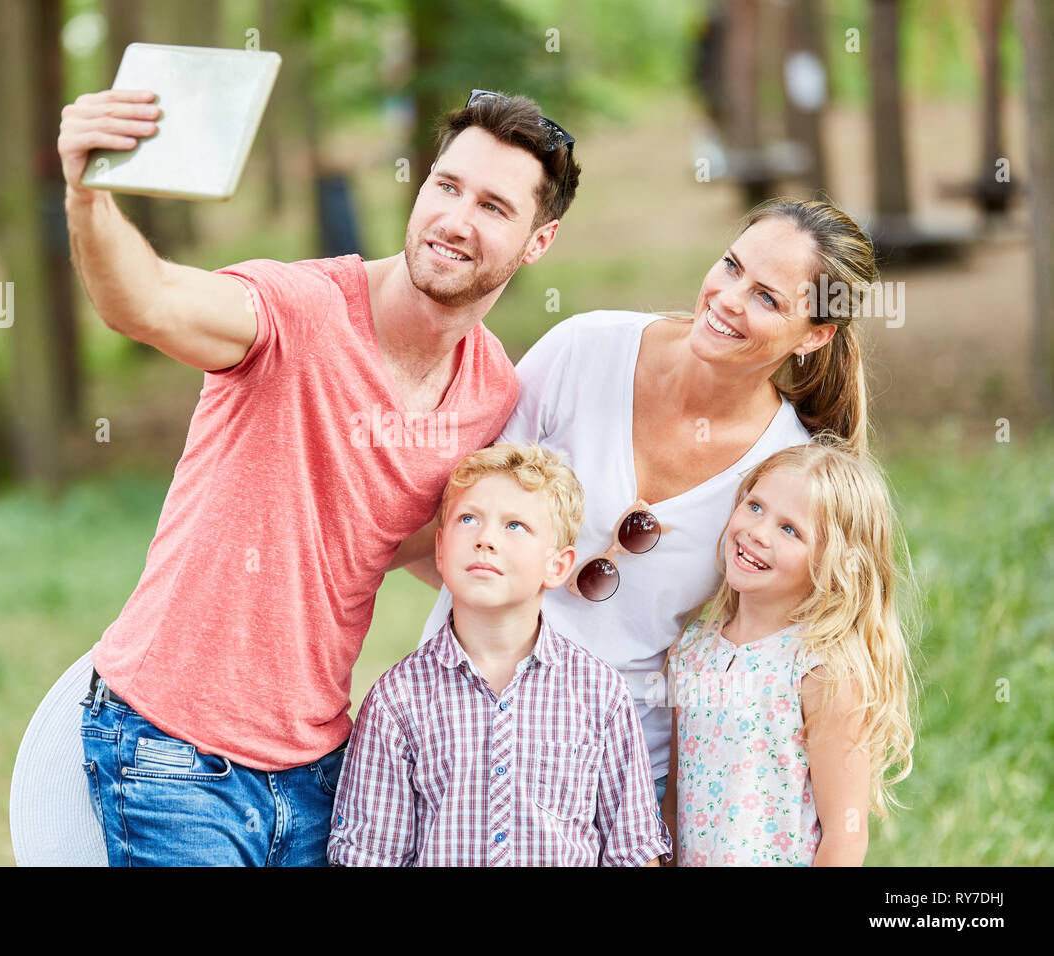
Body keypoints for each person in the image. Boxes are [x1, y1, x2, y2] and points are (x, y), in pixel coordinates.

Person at [56, 87, 581, 865]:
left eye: (494, 207)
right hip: (173, 750)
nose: (456, 220)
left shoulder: (489, 391)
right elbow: (149, 302)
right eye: (447, 186)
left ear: (538, 242)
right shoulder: (298, 310)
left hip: (321, 769)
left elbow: (417, 545)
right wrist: (87, 193)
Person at [403, 198, 878, 816]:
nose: (729, 298)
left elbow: (772, 644)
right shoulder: (585, 349)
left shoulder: (784, 473)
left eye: (767, 298)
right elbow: (461, 521)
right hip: (460, 735)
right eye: (731, 267)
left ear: (815, 335)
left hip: (618, 779)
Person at [327, 443, 671, 866]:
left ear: (558, 566)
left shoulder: (600, 695)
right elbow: (371, 856)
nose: (486, 539)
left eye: (515, 526)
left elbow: (633, 852)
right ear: (440, 549)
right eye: (468, 519)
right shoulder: (397, 700)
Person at [663, 441, 917, 866]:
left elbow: (845, 835)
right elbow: (674, 801)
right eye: (755, 506)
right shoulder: (691, 651)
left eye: (790, 530)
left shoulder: (819, 671)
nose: (757, 532)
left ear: (832, 564)